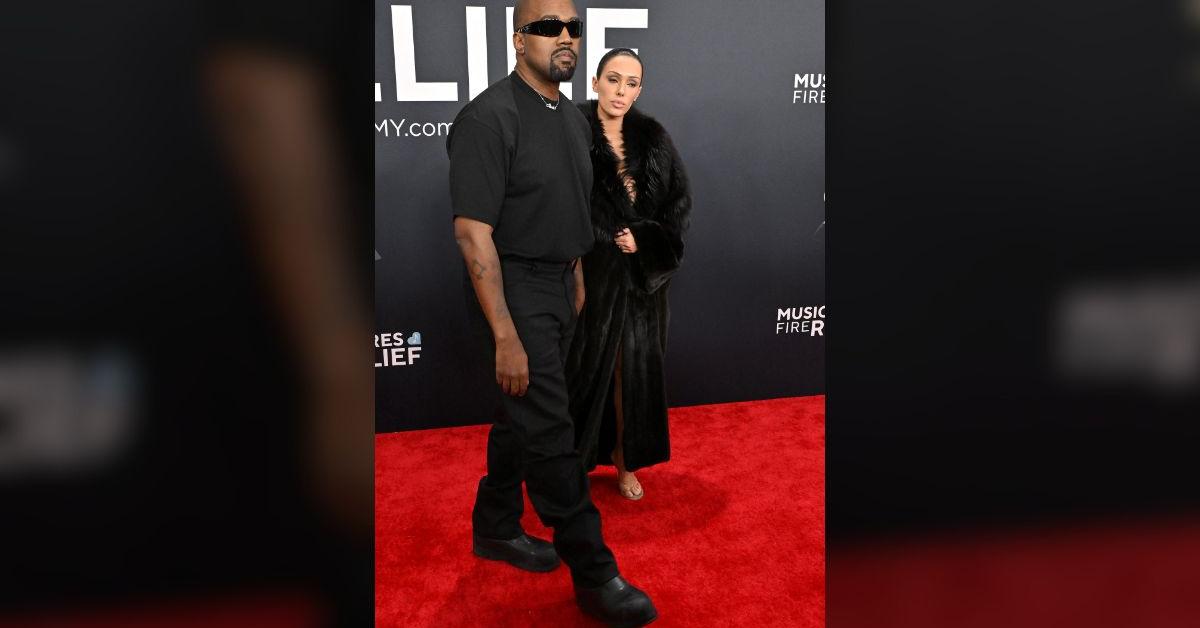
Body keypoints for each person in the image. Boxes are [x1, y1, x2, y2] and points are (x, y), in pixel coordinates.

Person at [447, 1, 657, 625]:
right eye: (546, 27)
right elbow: (473, 236)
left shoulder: (569, 117)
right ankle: (595, 575)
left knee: (522, 416)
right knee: (551, 434)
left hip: (560, 286)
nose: (564, 37)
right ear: (518, 40)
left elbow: (569, 205)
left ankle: (494, 525)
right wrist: (505, 334)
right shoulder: (488, 118)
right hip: (513, 293)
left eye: (573, 28)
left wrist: (576, 274)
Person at [566, 48, 692, 501]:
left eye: (631, 83)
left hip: (641, 288)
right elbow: (554, 202)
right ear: (596, 82)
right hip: (588, 280)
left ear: (639, 90)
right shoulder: (571, 131)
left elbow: (677, 210)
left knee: (630, 377)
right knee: (580, 374)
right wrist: (596, 242)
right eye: (613, 79)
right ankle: (571, 463)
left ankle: (624, 461)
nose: (621, 91)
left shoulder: (655, 140)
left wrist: (645, 240)